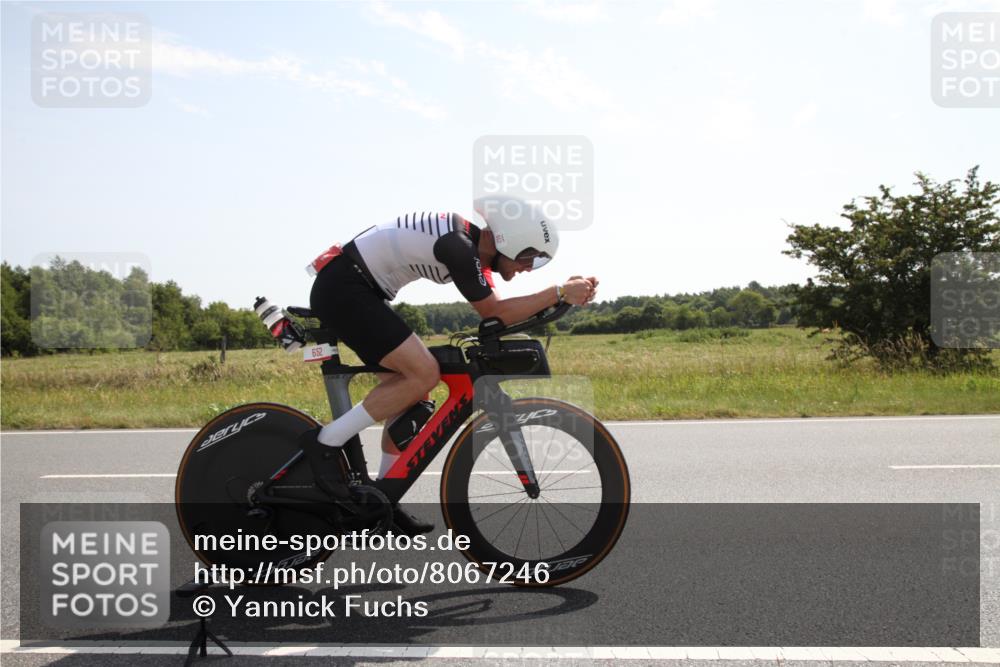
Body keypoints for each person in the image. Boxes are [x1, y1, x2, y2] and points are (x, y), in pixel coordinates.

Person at [300, 196, 598, 535]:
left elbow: (502, 310)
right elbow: (494, 312)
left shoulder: (472, 248)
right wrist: (558, 291)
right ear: (507, 240)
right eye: (529, 257)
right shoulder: (458, 246)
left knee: (413, 394)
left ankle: (384, 497)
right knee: (424, 373)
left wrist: (561, 294)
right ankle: (325, 443)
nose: (528, 268)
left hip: (356, 288)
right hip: (345, 288)